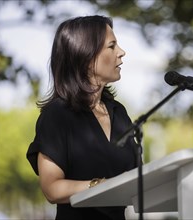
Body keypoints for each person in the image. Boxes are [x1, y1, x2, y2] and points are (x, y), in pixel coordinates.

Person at [26, 15, 138, 220]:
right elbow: (52, 189)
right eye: (112, 46)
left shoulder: (119, 112)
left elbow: (135, 179)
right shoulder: (57, 115)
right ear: (86, 55)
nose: (121, 53)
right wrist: (101, 186)